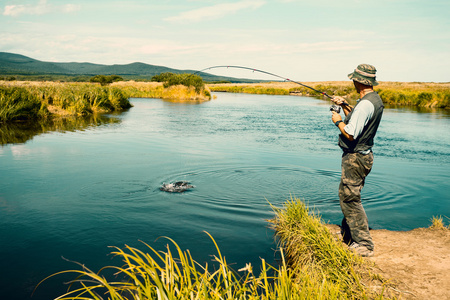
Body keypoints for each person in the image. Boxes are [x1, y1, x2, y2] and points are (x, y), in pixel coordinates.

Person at [331, 64, 384, 257]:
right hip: (363, 156)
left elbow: (352, 133)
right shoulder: (372, 100)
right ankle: (350, 235)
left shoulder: (365, 105)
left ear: (359, 81)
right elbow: (358, 121)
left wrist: (337, 120)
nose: (352, 81)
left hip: (356, 158)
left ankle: (364, 244)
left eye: (354, 79)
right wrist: (345, 105)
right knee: (349, 194)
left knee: (350, 198)